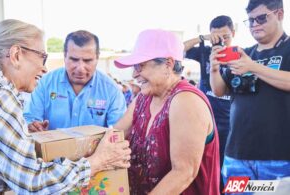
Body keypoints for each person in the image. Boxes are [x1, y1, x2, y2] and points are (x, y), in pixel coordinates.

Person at [0, 19, 131, 195]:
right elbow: (32, 181)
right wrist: (98, 161)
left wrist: (22, 133)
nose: (44, 67)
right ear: (16, 55)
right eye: (42, 57)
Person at [114, 29, 220, 195]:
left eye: (140, 66)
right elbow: (115, 136)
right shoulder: (143, 98)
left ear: (168, 64)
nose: (134, 74)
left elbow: (183, 173)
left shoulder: (186, 100)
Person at [210, 0, 290, 187]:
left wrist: (253, 67)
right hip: (236, 157)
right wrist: (214, 69)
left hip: (279, 157)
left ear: (279, 14)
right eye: (250, 20)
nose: (255, 24)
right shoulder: (243, 54)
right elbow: (219, 90)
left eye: (261, 18)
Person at [24, 30, 126, 131]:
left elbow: (118, 132)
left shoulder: (111, 90)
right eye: (74, 59)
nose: (80, 68)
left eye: (87, 60)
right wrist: (34, 127)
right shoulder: (45, 83)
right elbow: (30, 119)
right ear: (64, 56)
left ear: (97, 58)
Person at [184, 15, 234, 191]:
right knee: (203, 167)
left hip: (230, 124)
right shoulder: (205, 52)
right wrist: (203, 39)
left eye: (225, 37)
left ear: (234, 34)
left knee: (228, 169)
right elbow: (178, 50)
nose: (220, 41)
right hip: (205, 121)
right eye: (216, 37)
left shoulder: (241, 55)